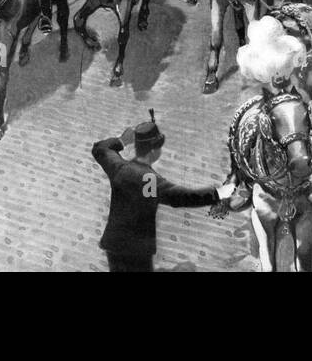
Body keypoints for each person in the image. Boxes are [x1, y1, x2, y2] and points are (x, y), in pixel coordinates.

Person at [91, 114, 229, 272]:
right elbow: (181, 197)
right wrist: (217, 193)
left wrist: (122, 140)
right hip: (137, 250)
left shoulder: (119, 168)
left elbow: (100, 148)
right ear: (153, 151)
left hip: (114, 243)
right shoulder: (151, 181)